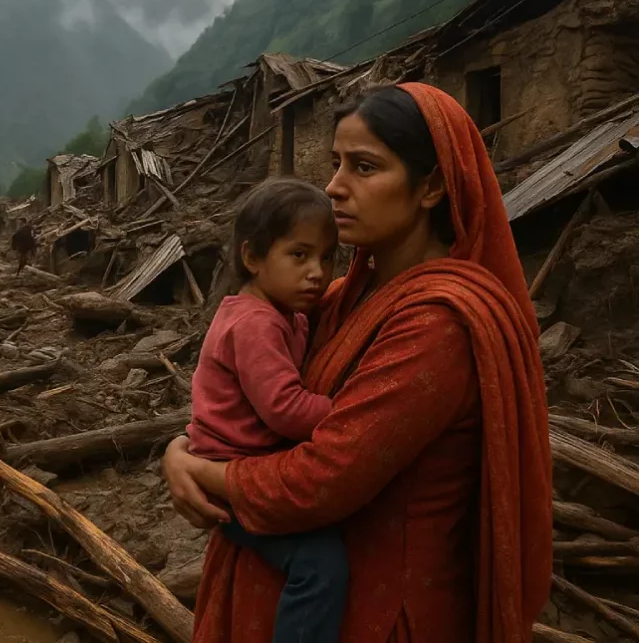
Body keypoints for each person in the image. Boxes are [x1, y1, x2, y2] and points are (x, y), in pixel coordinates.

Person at [163, 84, 552, 643]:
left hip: (378, 614)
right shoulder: (344, 297)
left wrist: (199, 471)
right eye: (337, 163)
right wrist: (178, 448)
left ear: (432, 186)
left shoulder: (436, 327)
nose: (334, 187)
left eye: (365, 167)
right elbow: (245, 384)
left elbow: (319, 480)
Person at [187, 178, 344, 643]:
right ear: (252, 257)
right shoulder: (255, 323)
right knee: (320, 565)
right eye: (299, 255)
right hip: (229, 476)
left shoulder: (284, 313)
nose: (317, 271)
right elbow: (285, 409)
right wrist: (348, 408)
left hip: (238, 464)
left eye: (327, 257)